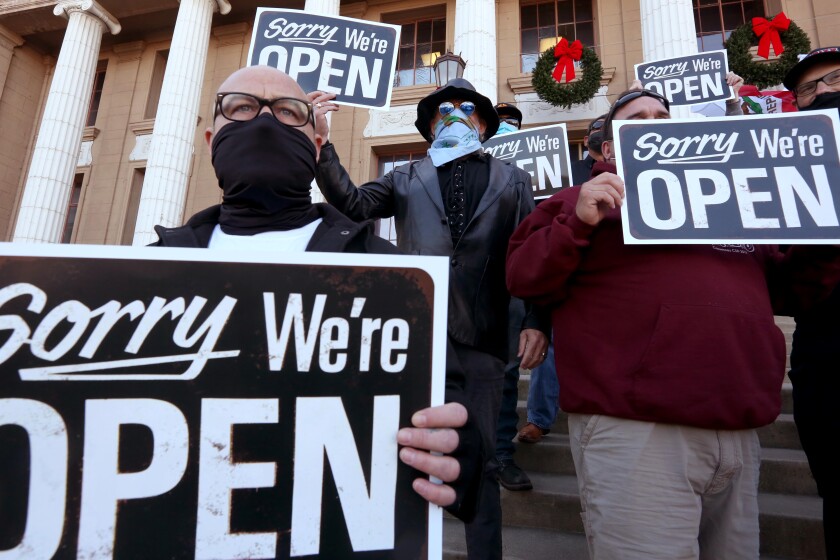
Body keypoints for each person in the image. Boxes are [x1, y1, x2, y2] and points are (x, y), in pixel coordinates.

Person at [505, 84, 840, 559]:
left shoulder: (736, 194)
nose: (655, 122)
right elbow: (523, 276)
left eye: (663, 114)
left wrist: (825, 234)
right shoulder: (574, 201)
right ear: (607, 147)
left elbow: (794, 291)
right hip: (639, 432)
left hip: (738, 428)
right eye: (637, 118)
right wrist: (577, 222)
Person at [150, 65, 484, 521]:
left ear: (317, 144)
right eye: (243, 107)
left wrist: (457, 452)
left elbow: (449, 407)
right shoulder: (148, 275)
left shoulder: (390, 277)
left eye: (289, 112)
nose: (265, 123)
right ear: (212, 140)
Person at [312, 79, 549, 559]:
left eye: (467, 109)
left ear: (483, 124)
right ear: (430, 127)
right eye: (444, 110)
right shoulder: (405, 176)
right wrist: (322, 142)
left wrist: (537, 318)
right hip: (416, 334)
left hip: (484, 337)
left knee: (481, 460)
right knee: (406, 453)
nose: (456, 114)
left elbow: (530, 253)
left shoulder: (513, 177)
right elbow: (353, 204)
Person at [782, 45, 840, 560]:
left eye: (836, 79)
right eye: (809, 87)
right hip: (825, 345)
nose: (823, 91)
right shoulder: (783, 170)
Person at [490, 101, 534, 491]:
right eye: (500, 121)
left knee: (505, 379)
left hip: (508, 293)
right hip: (464, 292)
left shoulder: (526, 172)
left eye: (512, 122)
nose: (506, 126)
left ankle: (501, 454)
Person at [569, 113, 607, 185]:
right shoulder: (569, 171)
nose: (602, 129)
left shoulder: (626, 170)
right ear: (586, 140)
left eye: (608, 128)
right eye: (597, 125)